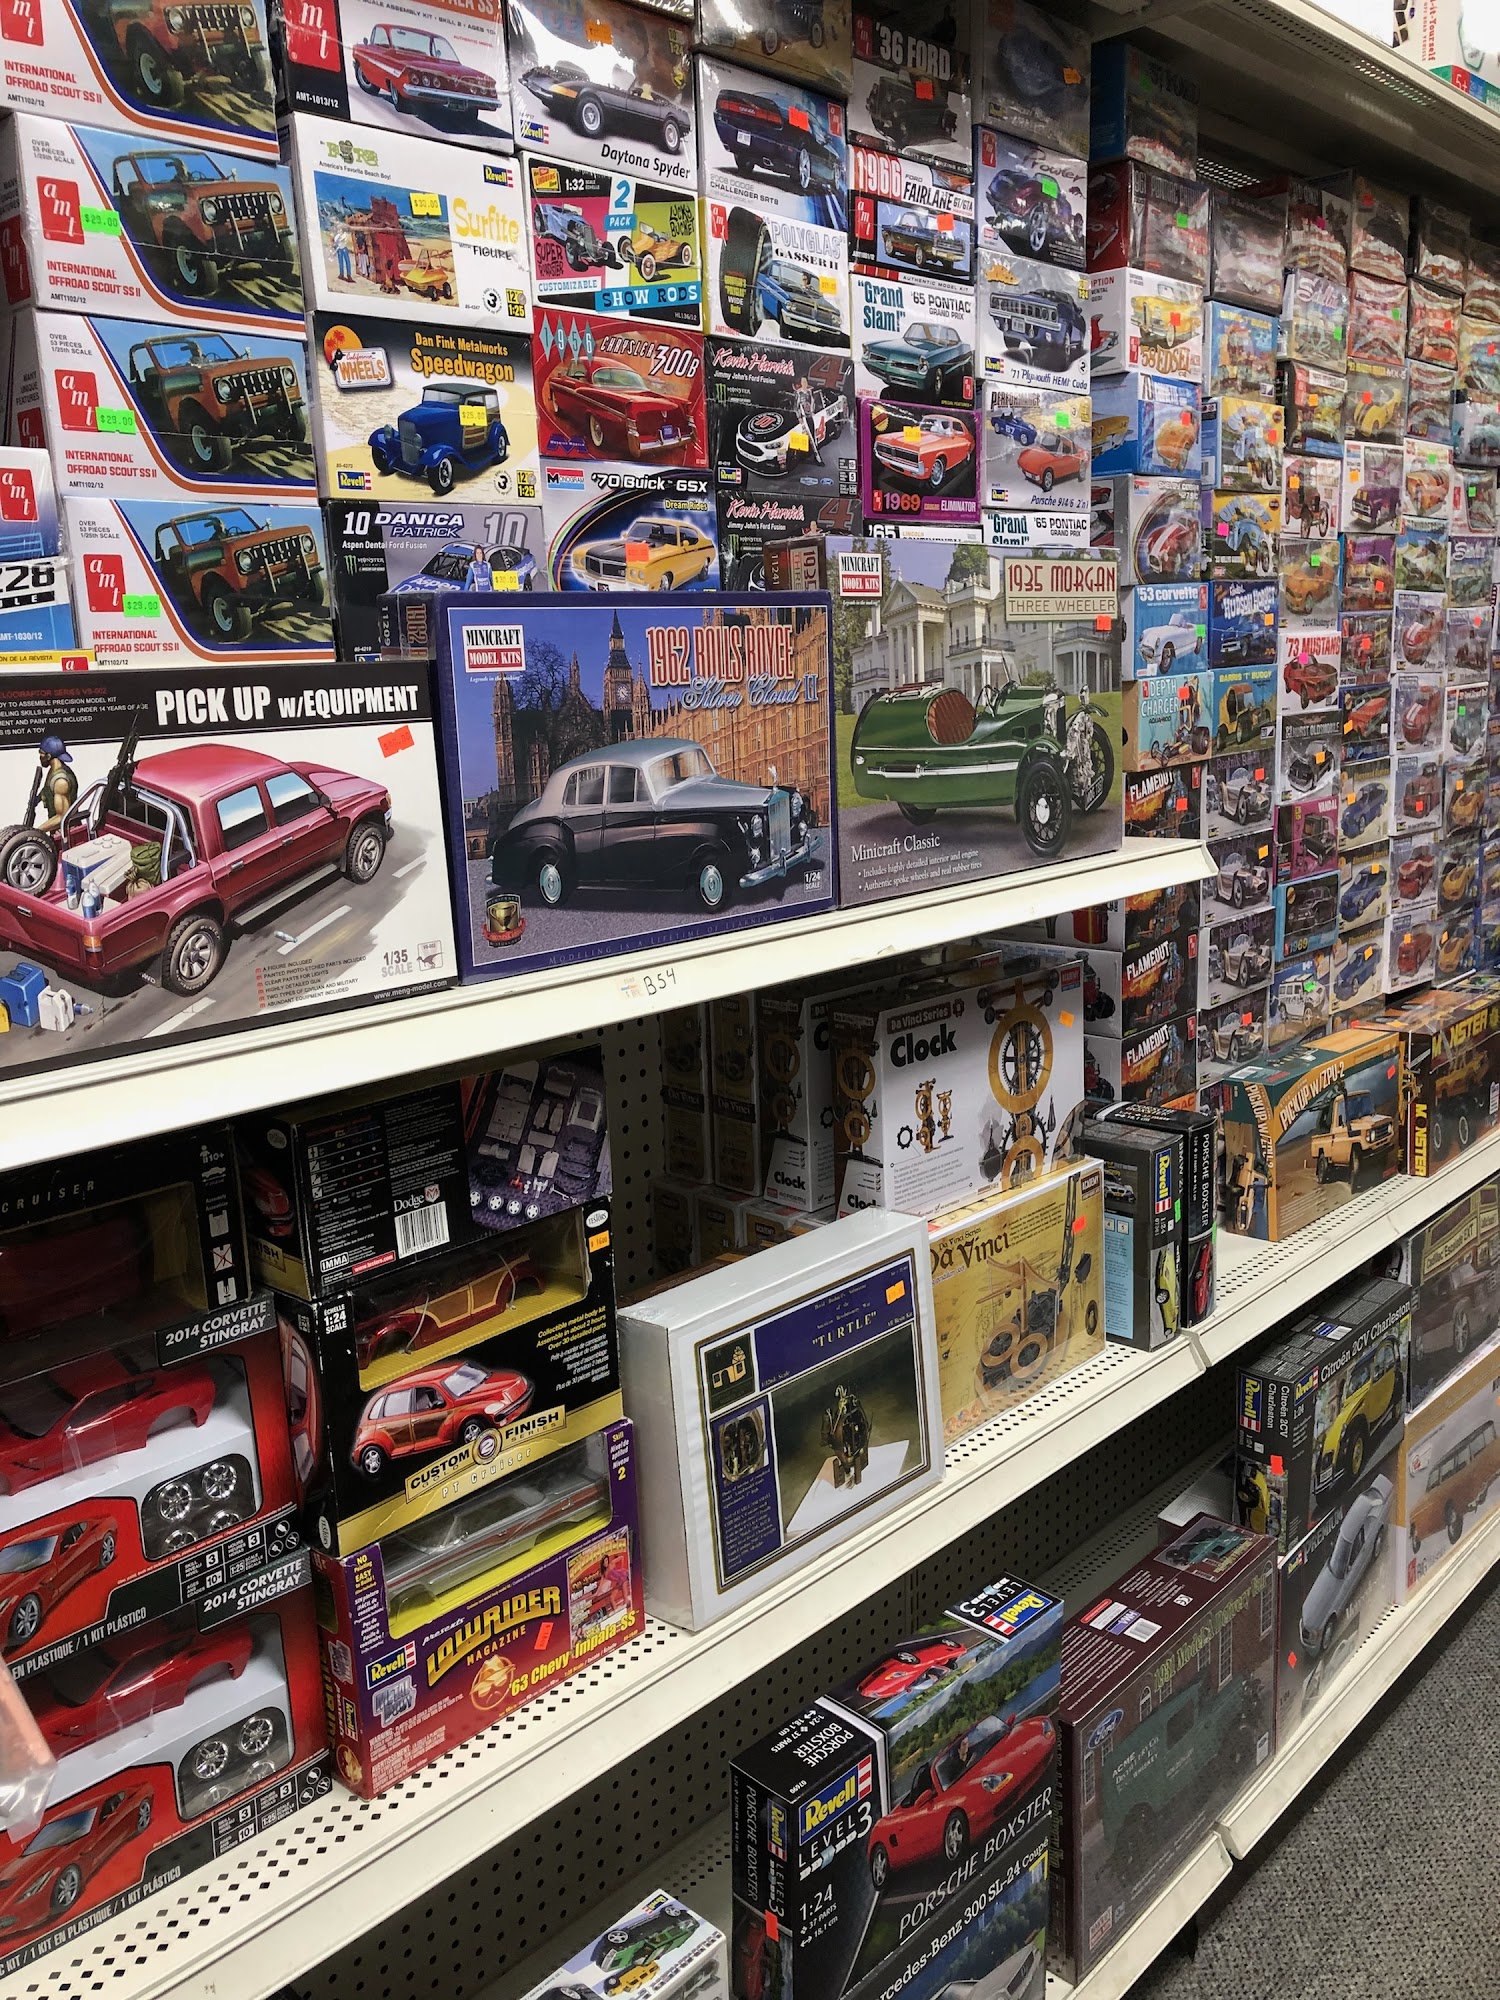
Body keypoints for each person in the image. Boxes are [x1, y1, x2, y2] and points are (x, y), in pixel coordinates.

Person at [31, 734, 76, 830]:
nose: (40, 756)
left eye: (41, 753)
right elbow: (48, 789)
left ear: (48, 756)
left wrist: (36, 831)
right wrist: (37, 799)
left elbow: (62, 817)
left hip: (67, 832)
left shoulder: (61, 782)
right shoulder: (54, 771)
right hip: (57, 830)